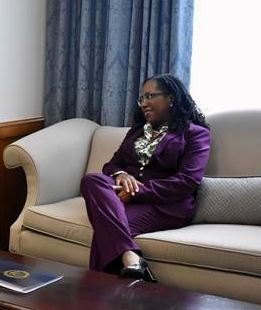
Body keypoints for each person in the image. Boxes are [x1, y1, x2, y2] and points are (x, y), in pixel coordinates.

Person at [80, 74, 210, 281]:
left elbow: (187, 181)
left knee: (106, 232)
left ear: (171, 98)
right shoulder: (137, 132)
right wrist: (122, 175)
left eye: (150, 96)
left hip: (166, 206)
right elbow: (111, 166)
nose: (144, 104)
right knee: (92, 180)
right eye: (142, 99)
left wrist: (135, 192)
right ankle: (132, 263)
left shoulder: (195, 134)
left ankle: (99, 295)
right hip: (124, 199)